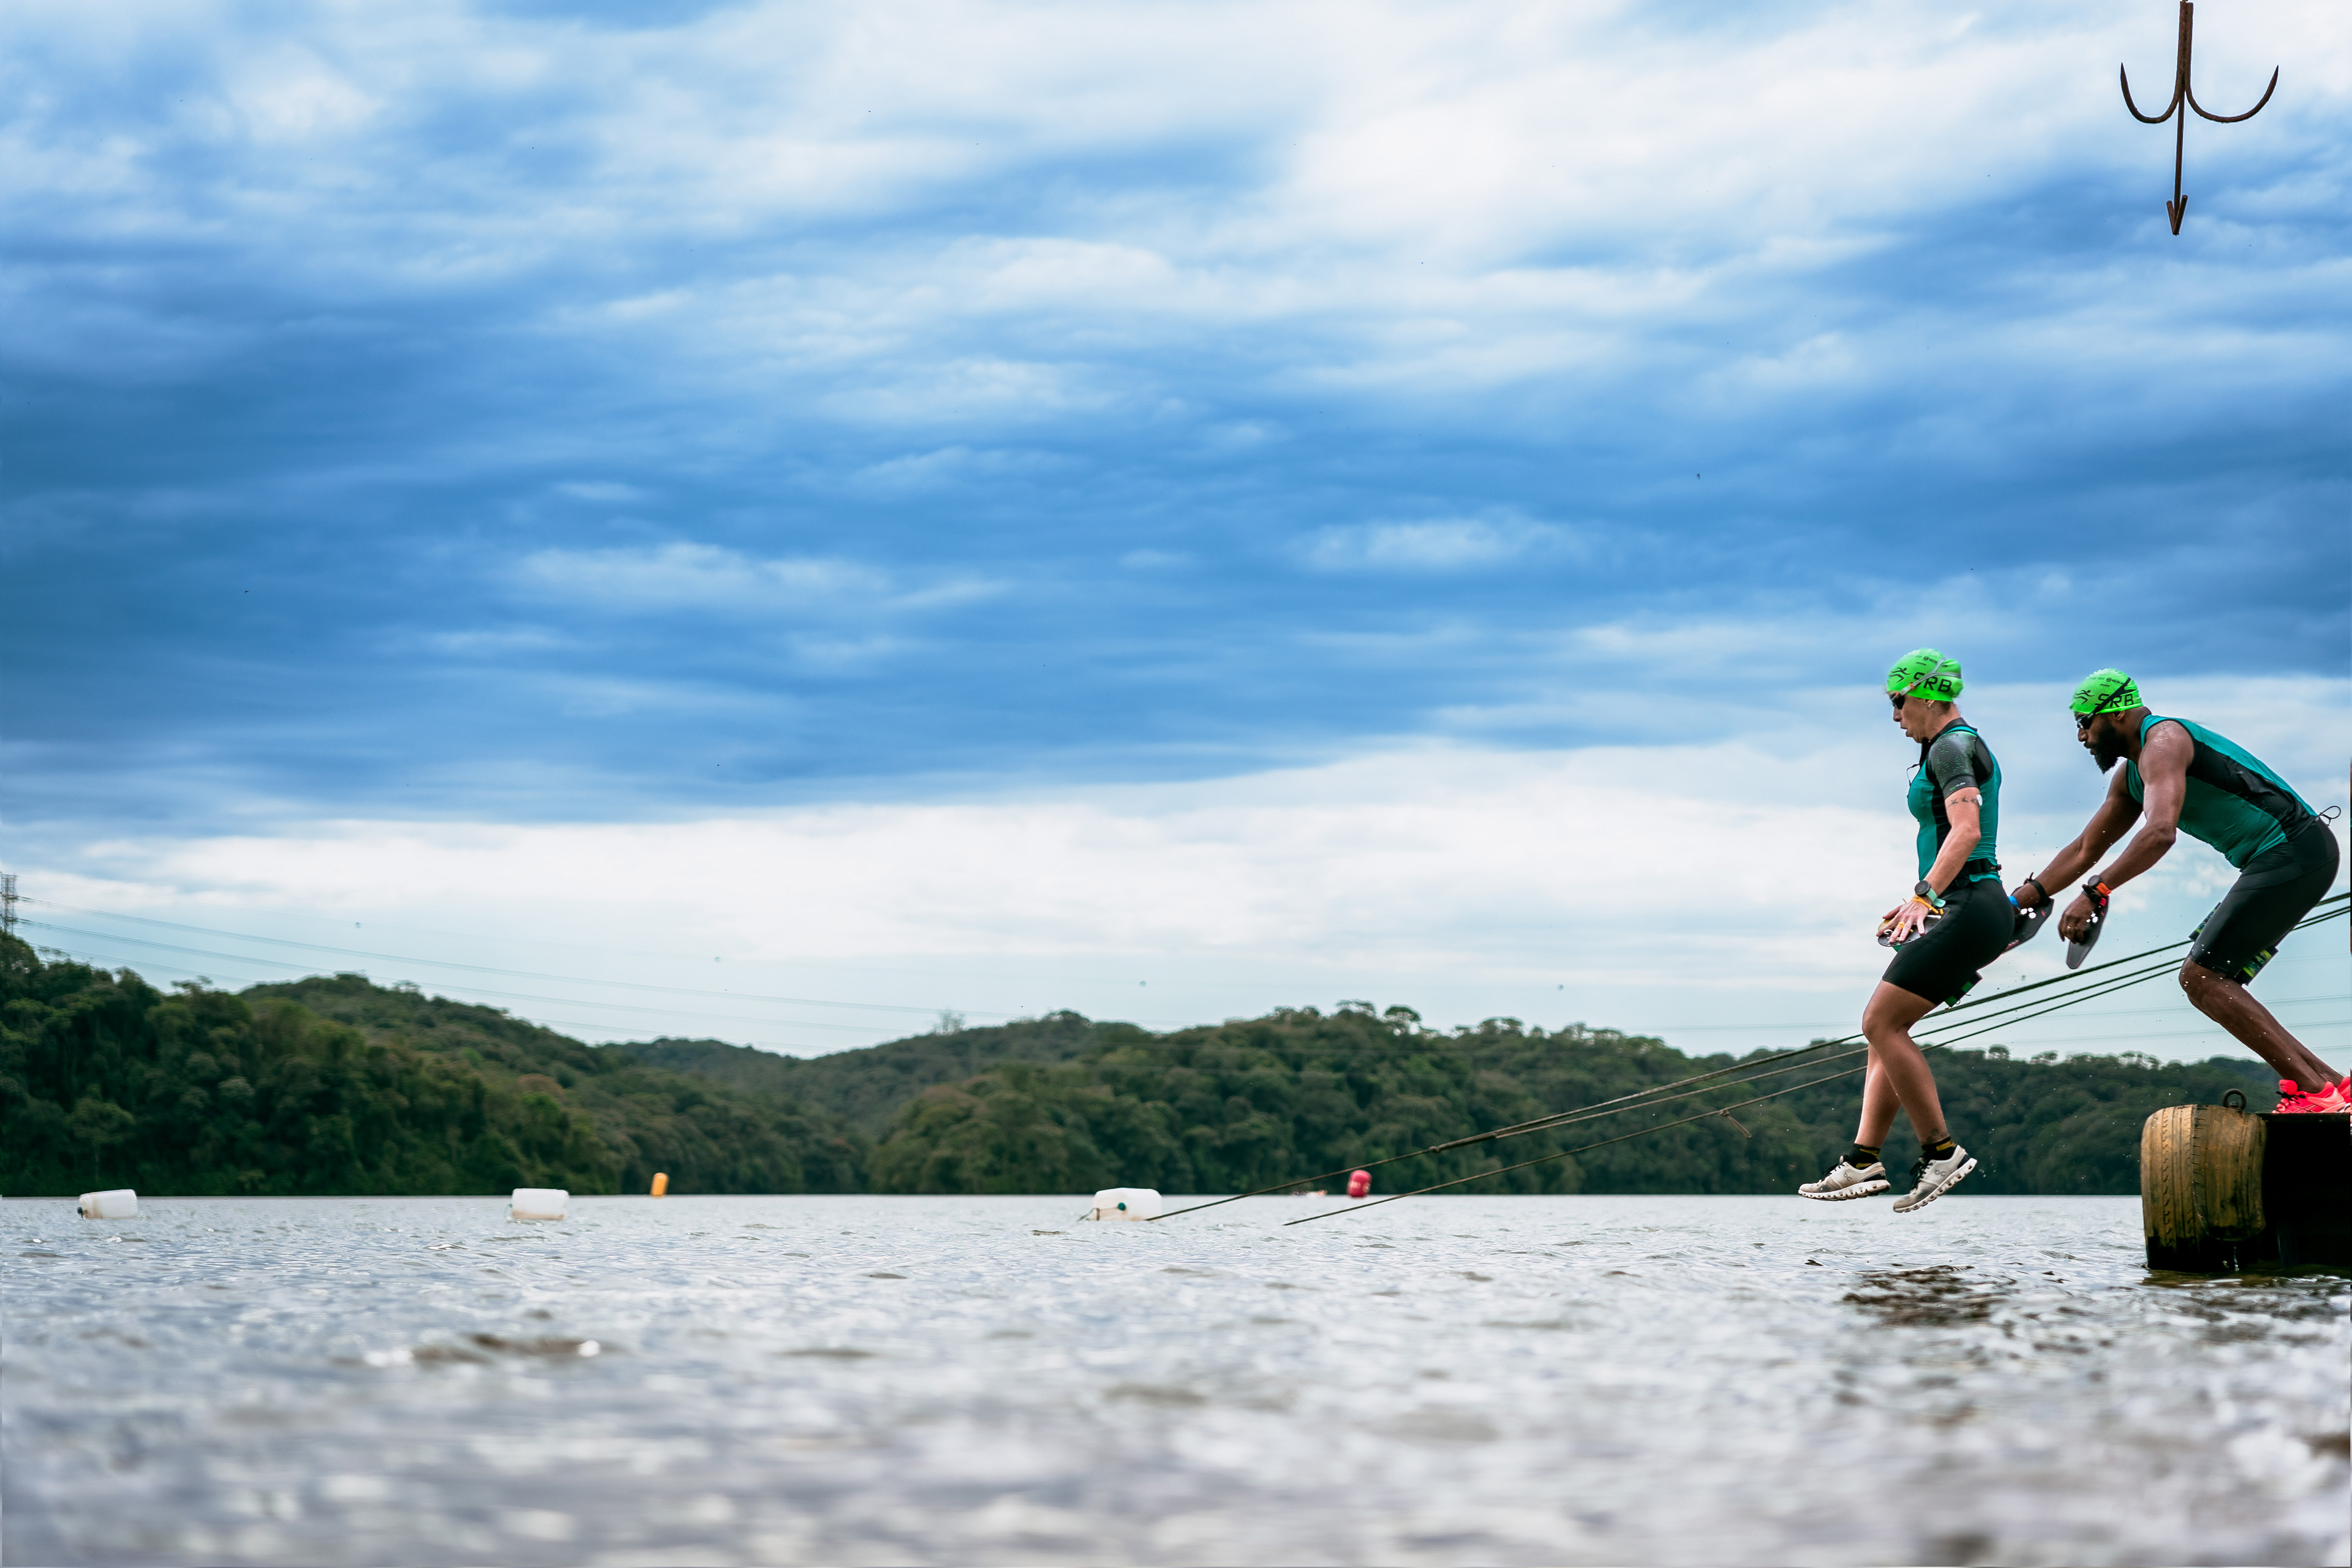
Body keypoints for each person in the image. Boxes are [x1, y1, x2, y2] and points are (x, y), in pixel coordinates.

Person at [2011, 669, 2346, 1112]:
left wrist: (2095, 891)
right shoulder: (2131, 776)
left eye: (2085, 722)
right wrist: (2017, 901)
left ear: (2117, 713)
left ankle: (2313, 1092)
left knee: (2202, 977)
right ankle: (2334, 1087)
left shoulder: (2164, 742)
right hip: (2287, 858)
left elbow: (2160, 833)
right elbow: (2085, 848)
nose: (2081, 736)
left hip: (2294, 852)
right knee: (2210, 977)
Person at [1801, 650, 2000, 1213]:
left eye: (1899, 701)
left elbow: (1966, 831)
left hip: (1967, 903)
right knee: (1885, 1030)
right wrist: (1922, 899)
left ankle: (1942, 1152)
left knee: (1880, 1022)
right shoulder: (1950, 746)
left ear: (1928, 695)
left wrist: (1925, 895)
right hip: (1964, 904)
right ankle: (1864, 1158)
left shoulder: (1951, 746)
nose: (1895, 716)